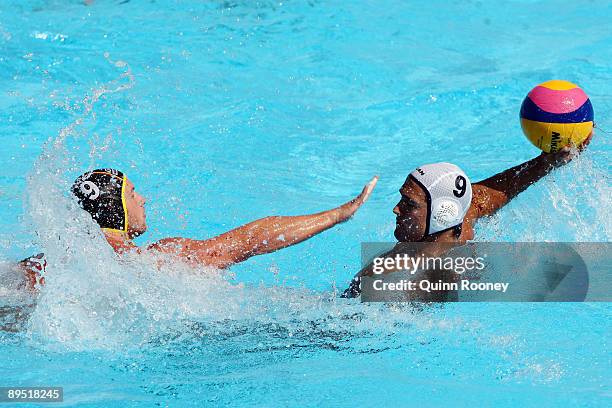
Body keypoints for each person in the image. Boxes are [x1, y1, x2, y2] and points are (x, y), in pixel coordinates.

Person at [15, 169, 375, 287]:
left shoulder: (45, 261)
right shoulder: (150, 260)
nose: (143, 200)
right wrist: (338, 213)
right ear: (118, 210)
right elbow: (245, 242)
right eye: (133, 193)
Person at [342, 133, 593, 298]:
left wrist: (552, 159)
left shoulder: (461, 217)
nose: (396, 209)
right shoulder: (394, 278)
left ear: (444, 213)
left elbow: (490, 193)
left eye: (409, 203)